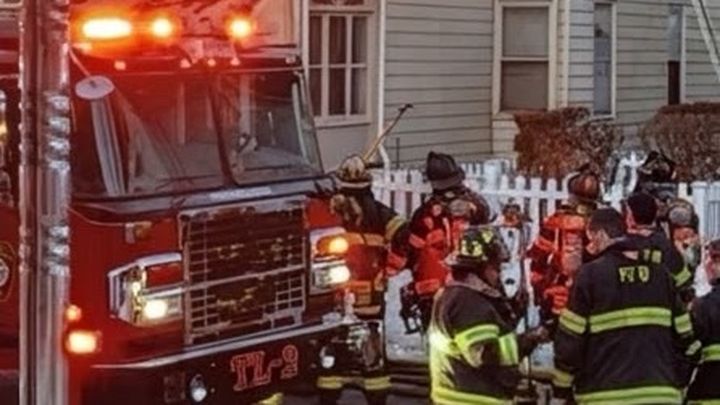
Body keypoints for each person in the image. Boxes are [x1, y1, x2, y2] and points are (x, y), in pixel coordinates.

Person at [553, 209, 698, 404]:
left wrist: (561, 391)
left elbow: (570, 343)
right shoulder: (662, 276)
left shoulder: (590, 277)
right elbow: (688, 340)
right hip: (660, 396)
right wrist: (673, 380)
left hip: (603, 397)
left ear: (600, 235)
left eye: (591, 239)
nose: (590, 246)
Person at [316, 154, 409, 404]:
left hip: (333, 293)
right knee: (371, 344)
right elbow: (404, 238)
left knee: (331, 343)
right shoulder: (379, 213)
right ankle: (376, 394)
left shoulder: (328, 211)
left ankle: (329, 391)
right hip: (370, 293)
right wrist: (389, 268)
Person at [429, 226, 548, 405]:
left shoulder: (459, 295)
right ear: (479, 268)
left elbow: (491, 332)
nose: (499, 274)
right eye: (496, 267)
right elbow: (484, 356)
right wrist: (529, 339)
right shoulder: (467, 302)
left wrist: (511, 310)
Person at [404, 152, 493, 331]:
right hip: (458, 290)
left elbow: (411, 252)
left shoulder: (425, 214)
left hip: (449, 291)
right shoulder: (473, 205)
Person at [528, 165, 601, 331]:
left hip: (561, 298)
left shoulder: (556, 220)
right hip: (595, 297)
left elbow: (539, 255)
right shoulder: (603, 222)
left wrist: (538, 286)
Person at [620, 192, 694, 300]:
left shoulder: (620, 246)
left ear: (630, 217)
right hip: (661, 306)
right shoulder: (665, 246)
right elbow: (683, 282)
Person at [686, 239, 720, 404]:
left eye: (714, 259)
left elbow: (688, 350)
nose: (708, 265)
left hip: (709, 391)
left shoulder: (703, 306)